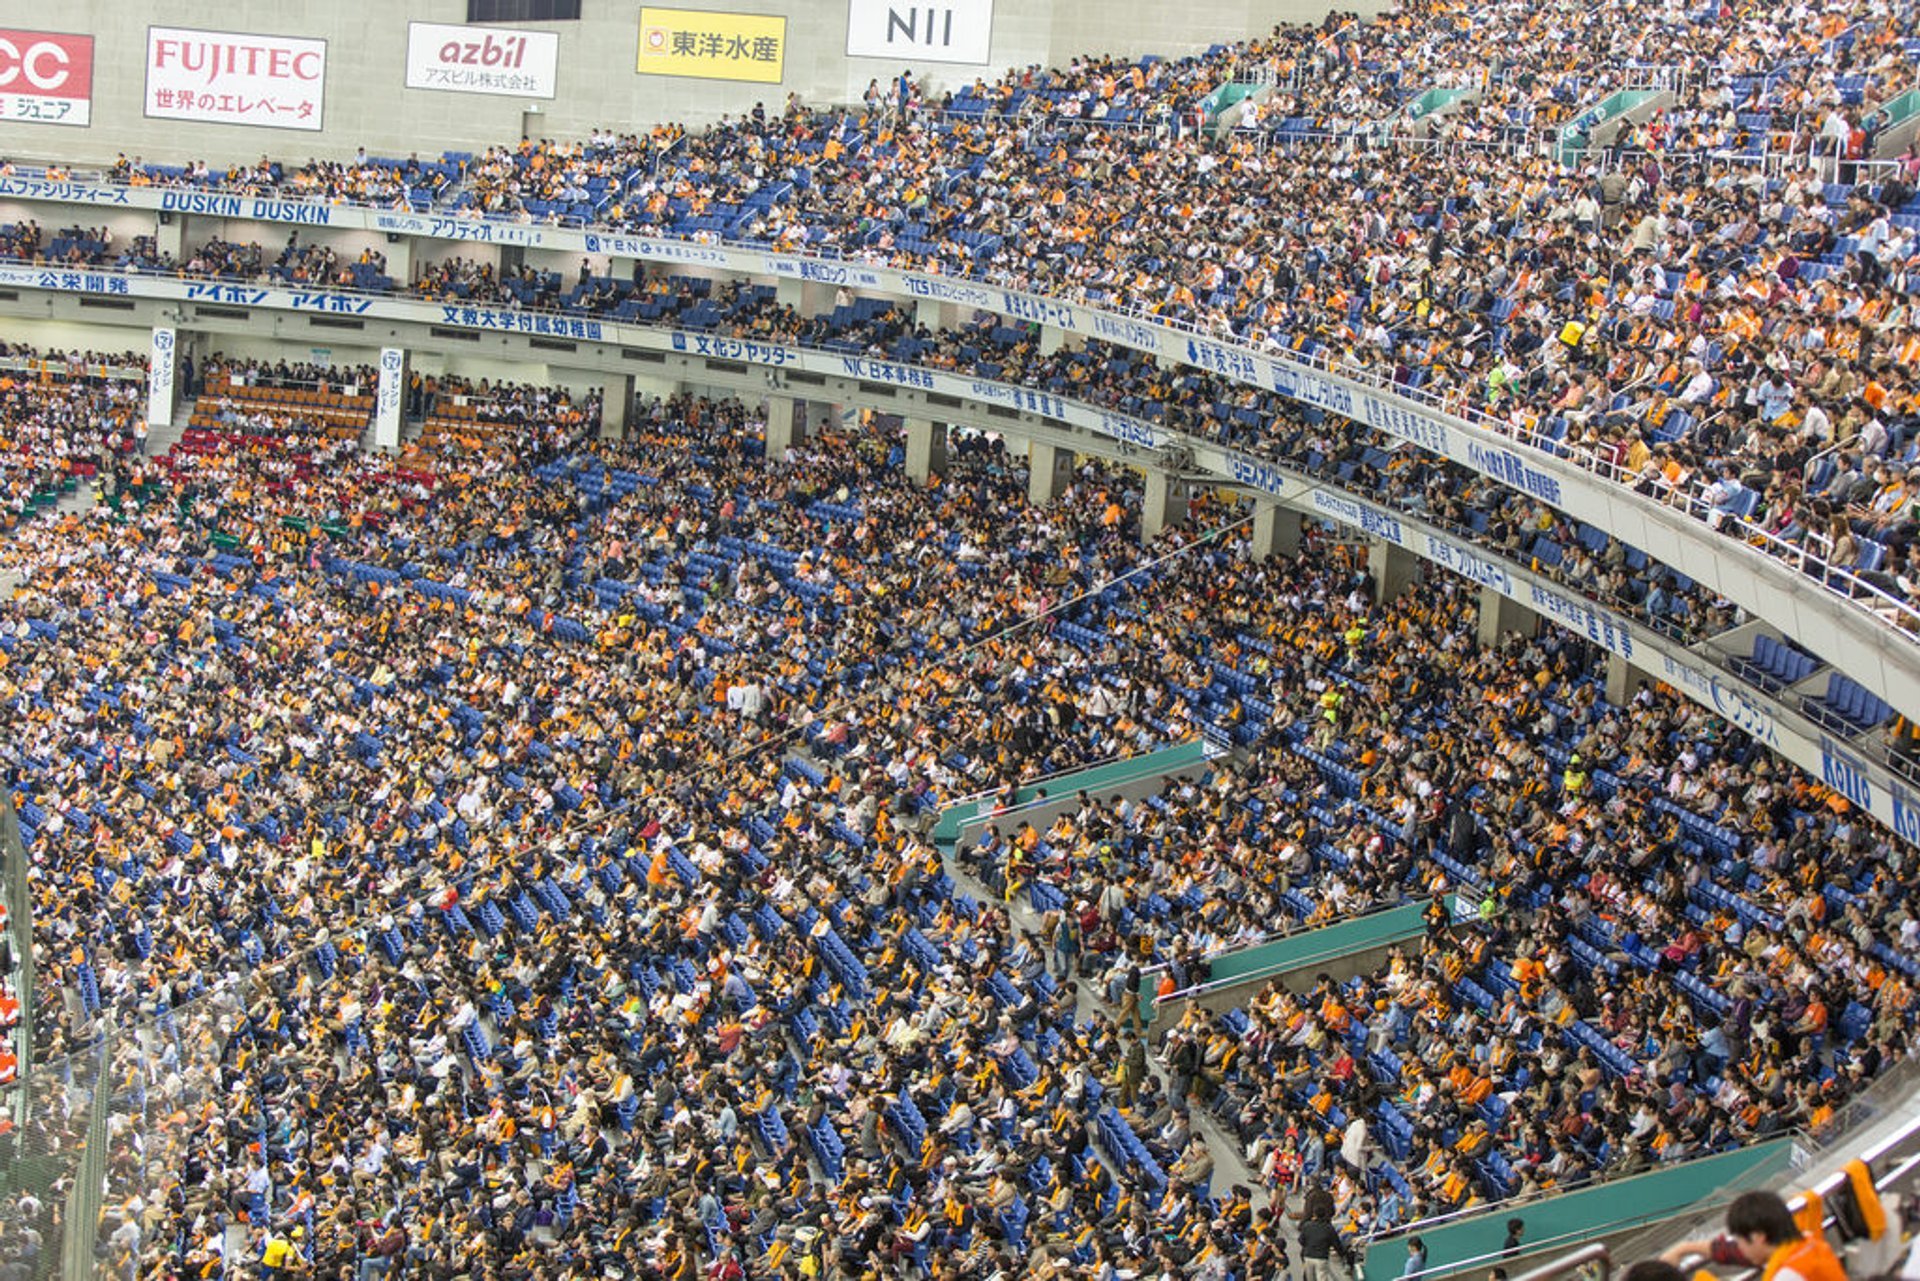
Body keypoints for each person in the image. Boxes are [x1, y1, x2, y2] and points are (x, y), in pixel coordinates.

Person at [1661, 1190, 1846, 1281]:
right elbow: (1736, 1252)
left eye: (1740, 1240)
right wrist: (1684, 1249)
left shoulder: (1788, 1275)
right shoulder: (1806, 1241)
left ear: (1758, 1237)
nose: (1739, 1247)